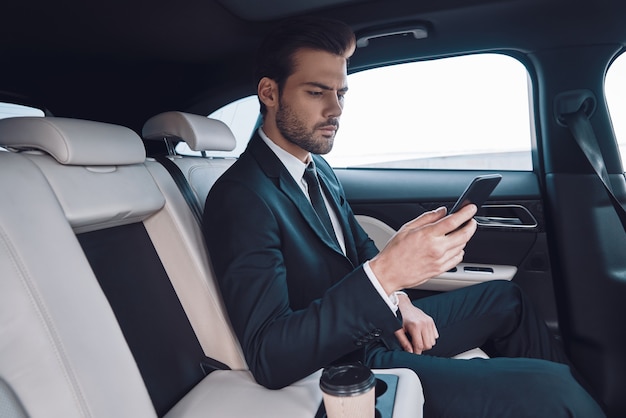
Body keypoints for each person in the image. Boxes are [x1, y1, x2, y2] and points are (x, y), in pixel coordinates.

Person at [203, 16, 605, 417]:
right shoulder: (241, 198)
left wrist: (400, 300)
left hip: (376, 323)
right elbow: (270, 355)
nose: (335, 109)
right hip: (345, 361)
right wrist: (387, 277)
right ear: (269, 93)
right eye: (316, 92)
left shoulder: (317, 169)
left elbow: (358, 248)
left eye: (342, 93)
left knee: (507, 300)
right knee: (553, 389)